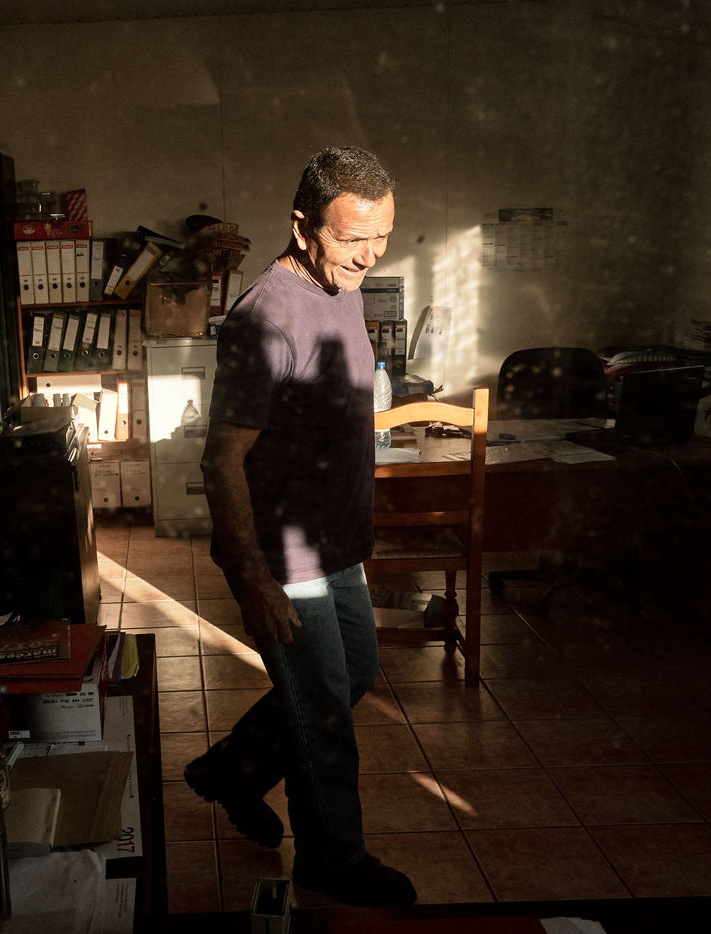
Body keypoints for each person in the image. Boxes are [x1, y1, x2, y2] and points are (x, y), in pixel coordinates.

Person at [183, 146, 416, 907]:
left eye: (381, 237)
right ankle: (332, 859)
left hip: (336, 542)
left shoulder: (342, 284)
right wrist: (254, 580)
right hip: (287, 556)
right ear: (302, 226)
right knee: (323, 713)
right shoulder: (264, 319)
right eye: (352, 239)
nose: (369, 256)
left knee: (354, 674)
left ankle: (232, 770)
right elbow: (222, 460)